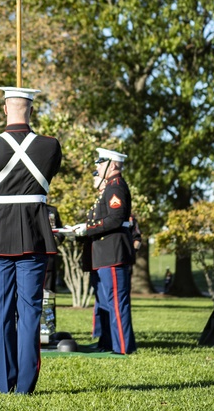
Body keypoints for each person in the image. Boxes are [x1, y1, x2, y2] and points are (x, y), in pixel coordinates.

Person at [0, 87, 62, 394]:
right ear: (31, 110)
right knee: (31, 312)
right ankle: (25, 386)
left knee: (0, 311)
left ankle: (3, 385)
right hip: (34, 235)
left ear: (5, 109)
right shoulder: (50, 146)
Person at [73, 148, 137, 355]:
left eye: (101, 163)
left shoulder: (115, 187)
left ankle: (124, 348)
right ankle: (108, 343)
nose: (98, 167)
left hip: (112, 253)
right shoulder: (110, 187)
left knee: (116, 302)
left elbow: (115, 219)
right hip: (104, 254)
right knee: (105, 301)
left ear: (113, 165)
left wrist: (88, 228)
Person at [44, 202, 64, 292]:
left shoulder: (52, 210)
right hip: (31, 254)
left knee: (49, 291)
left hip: (49, 255)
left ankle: (49, 307)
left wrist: (55, 240)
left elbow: (60, 231)